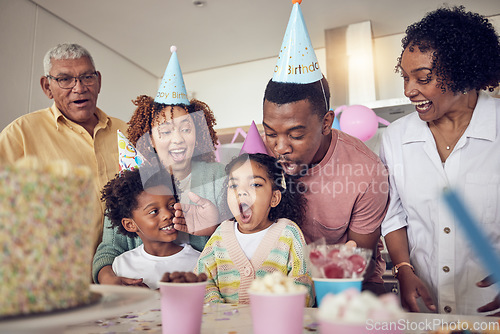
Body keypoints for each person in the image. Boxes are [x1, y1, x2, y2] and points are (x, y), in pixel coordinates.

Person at [261, 0, 389, 295]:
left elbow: (361, 260)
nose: (280, 147)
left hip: (347, 282)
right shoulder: (260, 162)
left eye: (295, 134)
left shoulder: (366, 171)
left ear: (326, 122)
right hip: (282, 284)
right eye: (270, 133)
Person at [380, 6, 500, 315]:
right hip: (425, 309)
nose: (409, 90)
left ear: (462, 72)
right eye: (405, 78)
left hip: (488, 310)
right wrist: (403, 268)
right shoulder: (396, 138)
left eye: (423, 78)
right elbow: (393, 214)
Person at [0, 43, 128, 254]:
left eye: (87, 77)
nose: (79, 88)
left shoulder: (127, 131)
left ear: (99, 81)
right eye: (65, 79)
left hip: (124, 271)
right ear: (47, 87)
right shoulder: (20, 134)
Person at [195, 153, 314, 305]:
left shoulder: (288, 233)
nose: (242, 192)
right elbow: (201, 278)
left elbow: (303, 283)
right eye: (234, 185)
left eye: (255, 184)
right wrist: (217, 308)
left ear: (274, 198)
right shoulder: (221, 233)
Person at [101, 168, 201, 290]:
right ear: (130, 225)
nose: (168, 214)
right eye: (154, 211)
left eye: (171, 205)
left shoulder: (198, 261)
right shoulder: (122, 265)